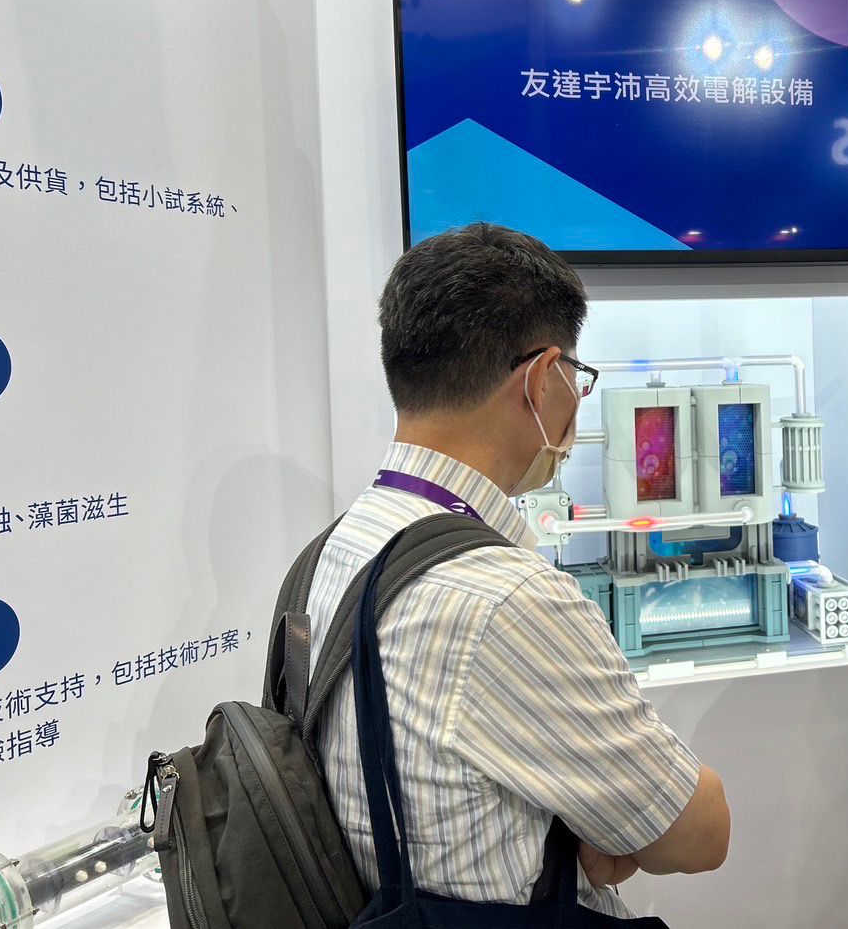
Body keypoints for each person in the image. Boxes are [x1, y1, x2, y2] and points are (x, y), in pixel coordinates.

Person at [302, 223, 731, 916]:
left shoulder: (331, 552)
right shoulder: (508, 600)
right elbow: (699, 832)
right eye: (576, 378)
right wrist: (607, 831)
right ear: (540, 379)